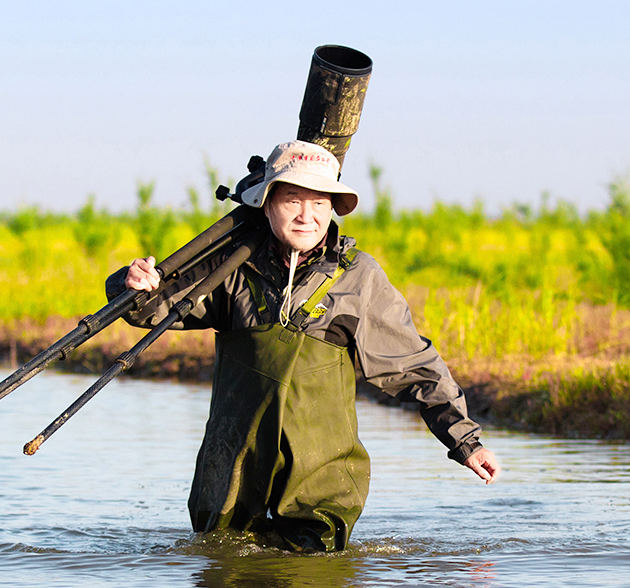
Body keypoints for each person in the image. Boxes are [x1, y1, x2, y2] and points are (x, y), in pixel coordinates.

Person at [106, 140, 500, 552]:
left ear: (333, 207)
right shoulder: (230, 266)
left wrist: (465, 442)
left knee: (313, 574)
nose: (306, 216)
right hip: (231, 476)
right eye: (292, 199)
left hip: (319, 482)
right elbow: (150, 311)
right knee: (223, 561)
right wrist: (133, 285)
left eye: (319, 202)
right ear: (266, 202)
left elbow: (414, 367)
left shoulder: (358, 277)